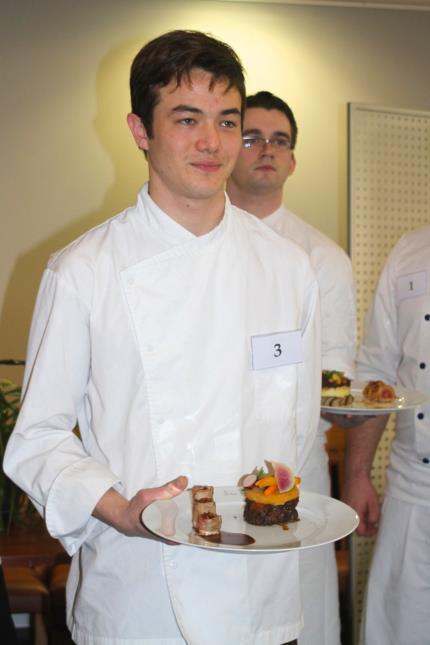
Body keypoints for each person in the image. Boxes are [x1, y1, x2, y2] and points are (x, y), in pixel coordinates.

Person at [3, 32, 322, 645]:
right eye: (186, 119)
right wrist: (119, 508)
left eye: (227, 121)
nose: (212, 142)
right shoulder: (85, 270)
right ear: (140, 130)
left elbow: (298, 425)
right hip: (141, 594)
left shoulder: (288, 269)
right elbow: (38, 438)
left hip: (262, 594)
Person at [227, 91, 356, 645]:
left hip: (294, 468)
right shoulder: (197, 241)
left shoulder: (321, 257)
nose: (266, 150)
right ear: (230, 145)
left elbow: (334, 376)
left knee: (300, 616)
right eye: (252, 136)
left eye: (280, 141)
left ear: (293, 160)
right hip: (211, 462)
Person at [342, 226, 430, 645]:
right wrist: (357, 471)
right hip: (414, 492)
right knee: (397, 632)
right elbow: (377, 370)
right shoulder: (409, 251)